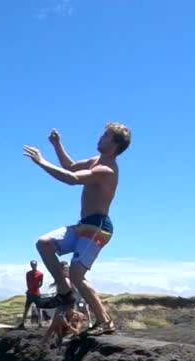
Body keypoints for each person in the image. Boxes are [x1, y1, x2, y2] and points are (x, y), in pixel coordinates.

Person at [23, 122, 131, 335]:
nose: (100, 138)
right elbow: (71, 167)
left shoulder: (106, 170)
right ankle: (64, 292)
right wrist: (57, 145)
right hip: (84, 225)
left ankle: (105, 322)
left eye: (106, 136)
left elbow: (71, 179)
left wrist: (41, 161)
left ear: (115, 144)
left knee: (77, 274)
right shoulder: (95, 161)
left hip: (98, 227)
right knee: (44, 243)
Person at [18, 260, 45, 329]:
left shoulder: (40, 274)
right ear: (31, 265)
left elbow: (41, 283)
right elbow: (28, 283)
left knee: (39, 309)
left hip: (36, 293)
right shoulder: (28, 273)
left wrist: (37, 287)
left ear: (36, 265)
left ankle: (40, 324)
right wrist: (31, 288)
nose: (33, 266)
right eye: (32, 264)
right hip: (30, 293)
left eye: (34, 264)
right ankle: (22, 323)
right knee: (26, 308)